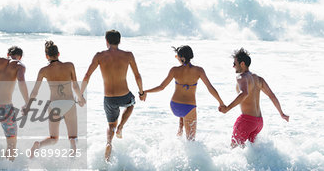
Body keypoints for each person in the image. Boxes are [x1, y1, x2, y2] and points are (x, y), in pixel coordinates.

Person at [81, 30, 144, 161]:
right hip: (124, 95)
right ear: (119, 41)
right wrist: (141, 92)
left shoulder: (99, 56)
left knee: (110, 125)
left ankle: (109, 142)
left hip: (109, 97)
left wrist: (81, 94)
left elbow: (87, 75)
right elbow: (137, 75)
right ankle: (121, 127)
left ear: (106, 41)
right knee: (131, 104)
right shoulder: (128, 55)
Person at [143, 45, 224, 140]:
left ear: (181, 58)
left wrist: (146, 91)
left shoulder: (174, 70)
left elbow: (161, 87)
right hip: (189, 107)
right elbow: (210, 87)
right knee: (191, 140)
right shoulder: (199, 70)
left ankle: (180, 129)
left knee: (183, 119)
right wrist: (221, 102)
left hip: (175, 106)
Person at [219, 48, 289, 148]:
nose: (233, 66)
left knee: (234, 149)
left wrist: (227, 109)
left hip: (246, 121)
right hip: (259, 122)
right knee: (252, 153)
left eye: (234, 63)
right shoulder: (259, 79)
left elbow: (244, 93)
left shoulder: (242, 77)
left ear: (242, 64)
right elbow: (272, 95)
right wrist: (281, 113)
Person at [26, 40, 85, 156]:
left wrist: (28, 105)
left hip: (54, 105)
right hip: (69, 103)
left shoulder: (43, 71)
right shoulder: (69, 66)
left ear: (46, 56)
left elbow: (34, 92)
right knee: (73, 137)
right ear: (58, 54)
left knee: (54, 138)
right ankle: (72, 154)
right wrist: (81, 98)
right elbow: (75, 86)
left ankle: (39, 144)